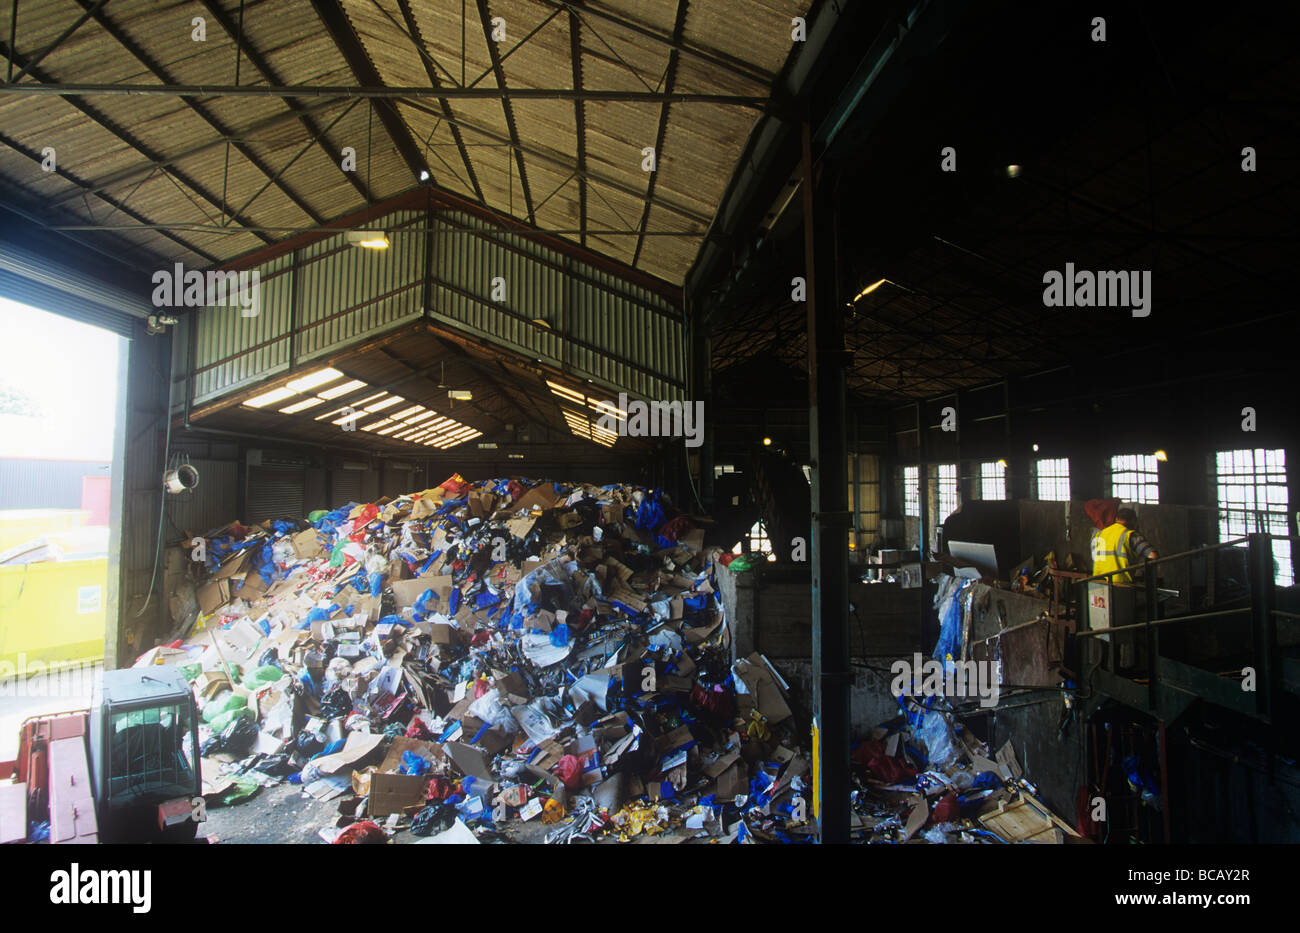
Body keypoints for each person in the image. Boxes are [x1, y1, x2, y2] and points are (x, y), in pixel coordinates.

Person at [1091, 507, 1158, 584]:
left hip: (1097, 582)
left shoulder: (1100, 534)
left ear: (1116, 519)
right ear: (1133, 520)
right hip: (1120, 583)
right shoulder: (1129, 535)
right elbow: (1153, 555)